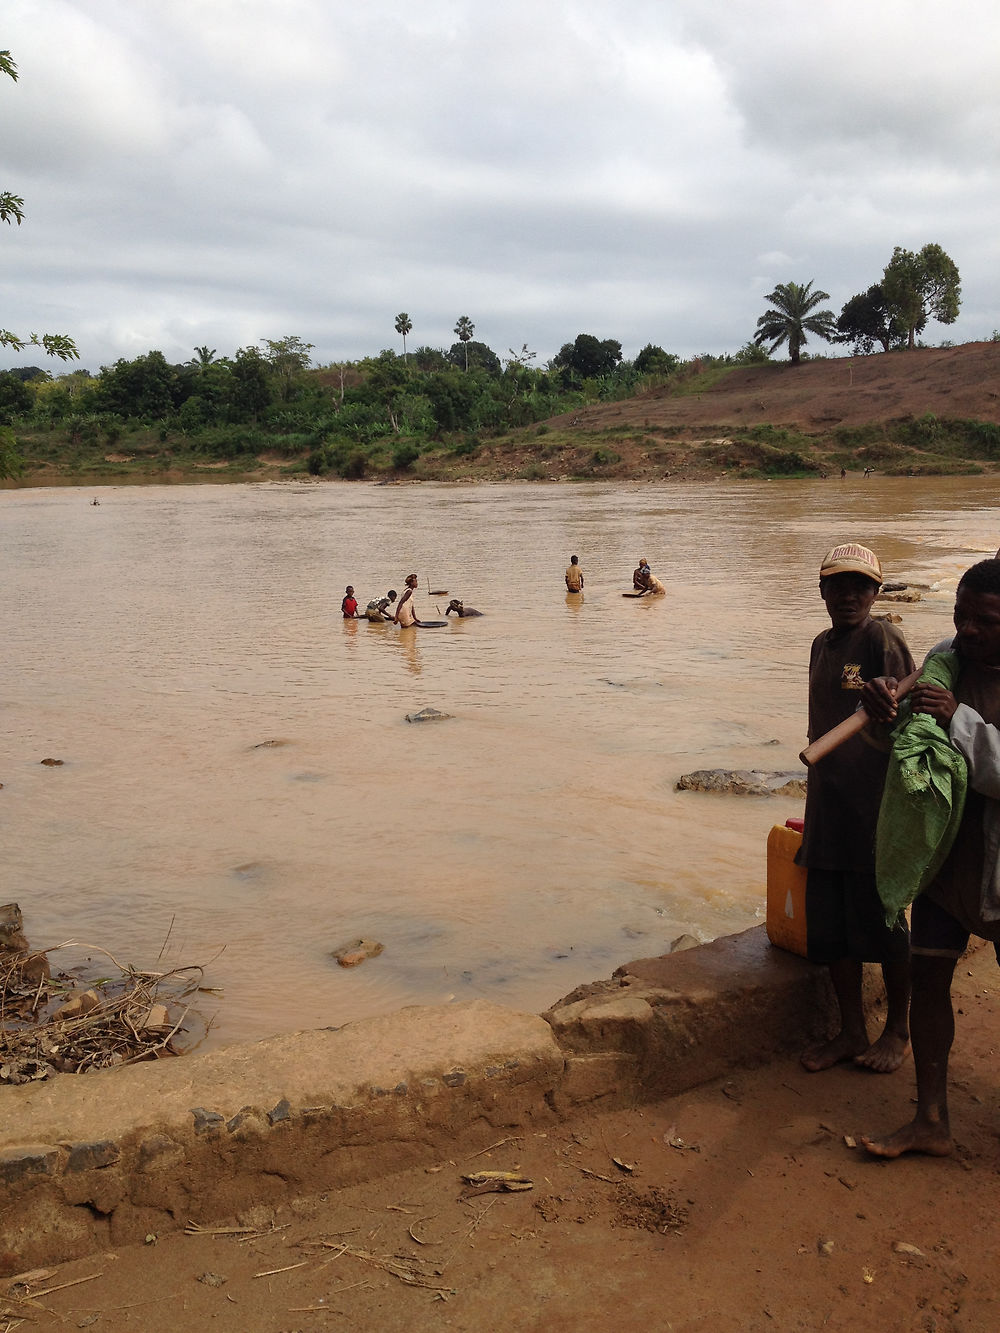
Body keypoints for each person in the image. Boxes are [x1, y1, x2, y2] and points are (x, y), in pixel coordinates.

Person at [861, 558, 1000, 1157]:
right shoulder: (943, 662)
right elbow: (902, 751)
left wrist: (959, 721)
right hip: (944, 857)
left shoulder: (957, 692)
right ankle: (931, 1120)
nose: (967, 629)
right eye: (960, 615)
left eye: (985, 620)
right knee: (929, 976)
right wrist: (883, 715)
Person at [797, 542, 914, 1074]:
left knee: (884, 922)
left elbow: (907, 713)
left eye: (860, 586)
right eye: (837, 586)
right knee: (832, 929)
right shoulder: (822, 644)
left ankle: (899, 1030)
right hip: (827, 807)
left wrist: (890, 700)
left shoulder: (882, 637)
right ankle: (850, 1030)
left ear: (875, 592)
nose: (848, 595)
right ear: (822, 591)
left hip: (873, 810)